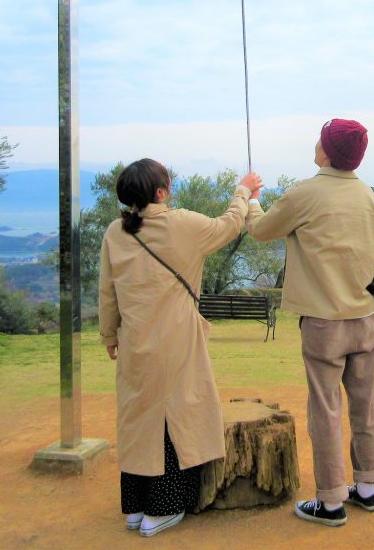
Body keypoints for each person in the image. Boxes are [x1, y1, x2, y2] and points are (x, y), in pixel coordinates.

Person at [99, 159, 263, 538]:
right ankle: (164, 507)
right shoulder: (182, 224)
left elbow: (107, 290)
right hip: (176, 338)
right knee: (174, 416)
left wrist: (110, 335)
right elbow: (230, 225)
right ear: (160, 192)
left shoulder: (114, 231)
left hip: (134, 340)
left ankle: (137, 506)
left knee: (139, 418)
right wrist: (244, 191)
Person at [246, 119, 374, 527]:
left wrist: (252, 200)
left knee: (325, 410)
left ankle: (330, 502)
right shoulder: (372, 196)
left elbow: (260, 230)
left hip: (324, 324)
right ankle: (367, 488)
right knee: (366, 405)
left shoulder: (304, 193)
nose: (316, 143)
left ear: (327, 151)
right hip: (366, 318)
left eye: (320, 139)